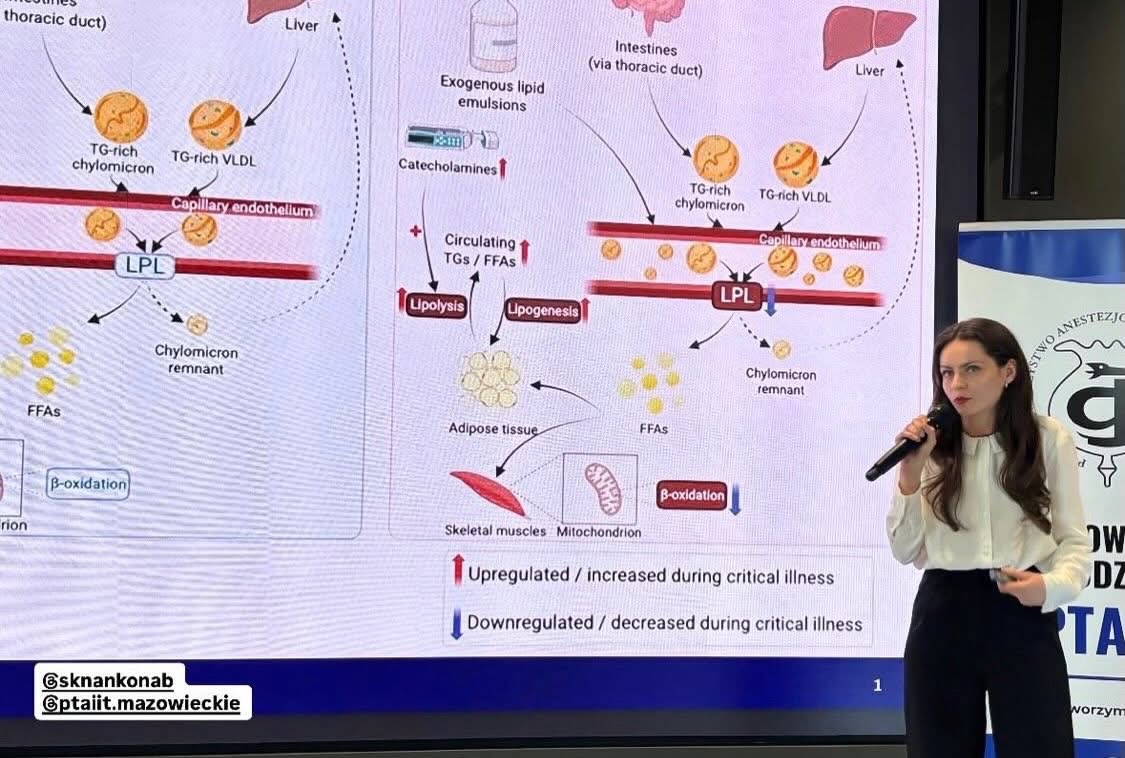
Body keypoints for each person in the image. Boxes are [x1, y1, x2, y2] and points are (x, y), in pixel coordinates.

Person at [886, 317, 1091, 757]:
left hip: (1021, 609)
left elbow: (1074, 541)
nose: (957, 384)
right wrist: (909, 475)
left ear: (1008, 371)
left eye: (972, 369)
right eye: (947, 373)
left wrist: (1050, 587)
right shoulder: (930, 446)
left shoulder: (1048, 439)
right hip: (942, 611)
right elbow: (904, 550)